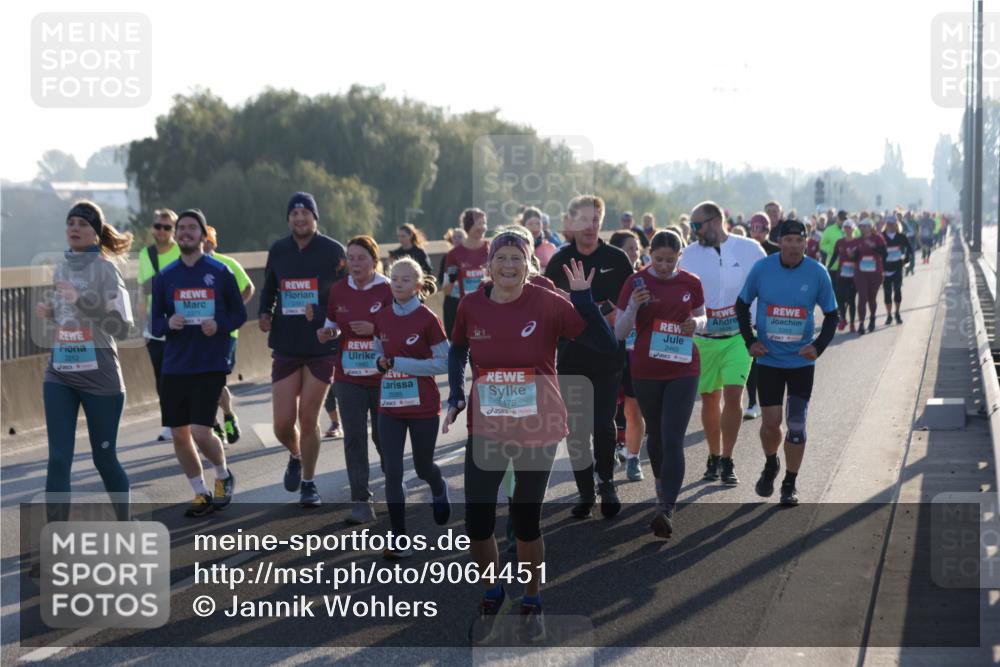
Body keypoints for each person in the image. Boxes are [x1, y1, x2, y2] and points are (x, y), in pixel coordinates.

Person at [444, 229, 616, 644]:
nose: (508, 265)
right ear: (489, 265)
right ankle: (493, 593)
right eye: (500, 258)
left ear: (528, 265)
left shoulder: (548, 302)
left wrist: (583, 300)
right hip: (487, 422)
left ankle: (532, 600)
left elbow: (607, 348)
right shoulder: (471, 304)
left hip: (538, 422)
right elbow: (457, 348)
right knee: (477, 522)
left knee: (525, 520)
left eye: (516, 258)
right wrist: (455, 392)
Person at [39, 200, 134, 521]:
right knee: (58, 459)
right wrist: (52, 312)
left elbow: (121, 327)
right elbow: (68, 316)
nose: (74, 228)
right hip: (61, 373)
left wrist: (81, 300)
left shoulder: (107, 270)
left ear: (95, 234)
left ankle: (126, 522)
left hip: (100, 378)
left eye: (82, 223)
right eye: (70, 223)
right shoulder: (60, 268)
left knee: (104, 459)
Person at [735, 219, 839, 506]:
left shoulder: (817, 273)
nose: (794, 245)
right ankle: (771, 463)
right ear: (780, 242)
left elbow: (832, 315)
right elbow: (741, 304)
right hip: (769, 360)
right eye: (788, 240)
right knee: (771, 423)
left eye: (799, 240)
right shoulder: (763, 269)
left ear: (806, 242)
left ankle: (790, 484)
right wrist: (749, 341)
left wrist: (818, 347)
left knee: (795, 423)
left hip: (800, 364)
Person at [545, 195, 635, 519]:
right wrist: (591, 310)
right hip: (571, 357)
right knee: (578, 429)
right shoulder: (559, 261)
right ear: (571, 224)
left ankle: (607, 482)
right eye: (583, 220)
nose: (590, 227)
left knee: (603, 422)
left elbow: (629, 306)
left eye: (596, 220)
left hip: (608, 358)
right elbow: (551, 308)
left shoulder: (618, 258)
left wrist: (611, 313)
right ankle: (585, 491)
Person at [151, 209, 245, 517]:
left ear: (204, 236)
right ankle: (200, 492)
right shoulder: (165, 277)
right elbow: (154, 323)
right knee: (179, 434)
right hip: (175, 364)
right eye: (182, 228)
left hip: (210, 361)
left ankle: (221, 473)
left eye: (193, 228)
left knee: (201, 431)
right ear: (176, 236)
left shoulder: (220, 272)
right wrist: (169, 324)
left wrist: (218, 324)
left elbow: (240, 314)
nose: (186, 232)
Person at [616, 229, 706, 537]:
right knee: (655, 435)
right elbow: (619, 331)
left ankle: (666, 507)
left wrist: (697, 324)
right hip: (646, 368)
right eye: (657, 260)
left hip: (683, 367)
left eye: (670, 260)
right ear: (648, 255)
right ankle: (660, 485)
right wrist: (633, 307)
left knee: (672, 437)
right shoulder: (636, 282)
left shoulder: (691, 282)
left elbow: (702, 317)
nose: (664, 266)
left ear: (680, 257)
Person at [259, 192, 347, 506]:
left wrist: (322, 310)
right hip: (286, 343)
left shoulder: (333, 250)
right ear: (288, 219)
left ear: (314, 217)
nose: (299, 218)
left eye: (305, 213)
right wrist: (265, 313)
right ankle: (296, 455)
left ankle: (309, 483)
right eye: (294, 213)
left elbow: (346, 295)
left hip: (321, 345)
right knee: (282, 424)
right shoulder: (279, 250)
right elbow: (270, 287)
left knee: (308, 418)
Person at [679, 201, 766, 484]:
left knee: (733, 394)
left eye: (697, 225)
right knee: (710, 398)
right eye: (691, 226)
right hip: (703, 339)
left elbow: (765, 284)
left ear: (715, 222)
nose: (693, 232)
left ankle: (728, 458)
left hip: (738, 338)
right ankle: (713, 454)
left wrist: (759, 324)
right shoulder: (689, 255)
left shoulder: (750, 249)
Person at [372, 258, 450, 559]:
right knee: (392, 471)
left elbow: (444, 363)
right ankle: (399, 538)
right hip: (390, 404)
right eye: (394, 278)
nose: (398, 283)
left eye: (405, 279)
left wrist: (403, 364)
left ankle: (437, 485)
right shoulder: (382, 317)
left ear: (418, 286)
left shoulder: (428, 319)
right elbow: (378, 351)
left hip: (422, 405)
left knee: (422, 467)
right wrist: (379, 363)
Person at [316, 236, 393, 519]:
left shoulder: (387, 288)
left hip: (382, 375)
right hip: (348, 375)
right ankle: (361, 501)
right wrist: (327, 333)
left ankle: (394, 484)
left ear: (374, 260)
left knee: (383, 437)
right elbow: (332, 324)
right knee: (355, 438)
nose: (356, 263)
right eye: (351, 258)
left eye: (361, 257)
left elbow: (400, 328)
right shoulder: (338, 290)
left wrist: (374, 328)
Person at [204, 226, 254, 444]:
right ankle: (213, 423)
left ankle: (227, 416)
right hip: (196, 335)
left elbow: (249, 287)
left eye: (208, 241)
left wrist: (232, 311)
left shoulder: (227, 265)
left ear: (213, 243)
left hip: (225, 333)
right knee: (201, 380)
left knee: (215, 380)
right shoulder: (185, 268)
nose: (203, 244)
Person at [138, 209, 181, 443]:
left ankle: (197, 418)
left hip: (182, 322)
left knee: (184, 374)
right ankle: (169, 422)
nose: (161, 231)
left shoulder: (180, 251)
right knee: (161, 376)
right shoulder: (146, 254)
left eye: (166, 227)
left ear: (173, 230)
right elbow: (142, 289)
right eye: (158, 226)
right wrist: (144, 319)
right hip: (156, 325)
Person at [609, 230, 646, 480]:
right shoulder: (607, 280)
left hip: (636, 353)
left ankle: (633, 458)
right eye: (628, 248)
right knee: (608, 409)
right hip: (610, 351)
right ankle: (611, 448)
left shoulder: (646, 279)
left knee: (634, 409)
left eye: (636, 248)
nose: (634, 252)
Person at [441, 209, 490, 338]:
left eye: (484, 223)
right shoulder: (454, 254)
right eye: (478, 224)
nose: (483, 228)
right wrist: (451, 278)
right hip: (462, 309)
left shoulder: (491, 249)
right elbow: (446, 290)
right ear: (468, 225)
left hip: (487, 309)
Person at [853, 218, 887, 335]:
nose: (862, 228)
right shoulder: (858, 240)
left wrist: (874, 247)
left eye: (864, 226)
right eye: (861, 226)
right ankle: (861, 323)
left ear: (870, 227)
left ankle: (872, 317)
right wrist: (852, 254)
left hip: (875, 273)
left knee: (872, 298)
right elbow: (855, 256)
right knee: (862, 297)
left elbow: (884, 253)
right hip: (861, 272)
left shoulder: (878, 238)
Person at [881, 214, 913, 325]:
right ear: (886, 225)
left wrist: (906, 260)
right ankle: (889, 315)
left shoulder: (901, 236)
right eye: (888, 224)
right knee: (887, 293)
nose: (890, 226)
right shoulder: (882, 237)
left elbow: (910, 249)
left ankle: (897, 313)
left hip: (897, 268)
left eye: (892, 224)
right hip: (885, 269)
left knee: (897, 291)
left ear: (896, 225)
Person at [832, 220, 859, 332]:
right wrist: (827, 266)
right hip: (841, 274)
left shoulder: (857, 242)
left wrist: (853, 256)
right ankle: (843, 318)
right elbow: (834, 256)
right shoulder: (839, 242)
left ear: (853, 229)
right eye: (845, 227)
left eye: (849, 227)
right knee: (840, 298)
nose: (847, 229)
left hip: (854, 276)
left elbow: (860, 257)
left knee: (851, 300)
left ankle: (852, 323)